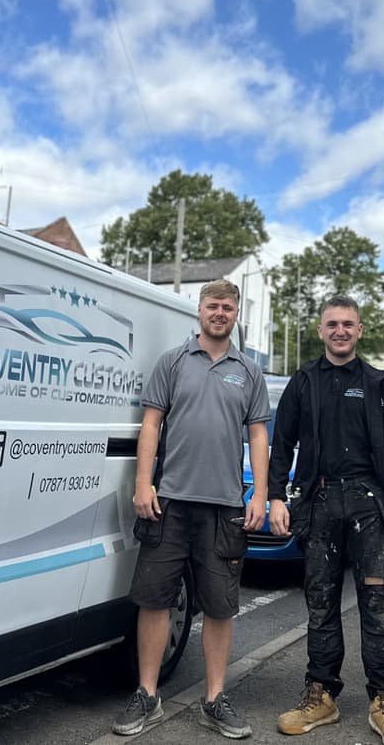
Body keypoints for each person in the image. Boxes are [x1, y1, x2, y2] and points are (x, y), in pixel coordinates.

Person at [112, 279, 270, 739]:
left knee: (220, 606)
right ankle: (148, 694)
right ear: (199, 310)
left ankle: (215, 698)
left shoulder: (249, 371)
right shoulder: (173, 362)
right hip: (170, 504)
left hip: (224, 508)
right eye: (212, 305)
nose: (219, 312)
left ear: (236, 314)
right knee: (155, 599)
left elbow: (258, 434)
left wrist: (258, 493)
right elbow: (151, 425)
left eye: (227, 307)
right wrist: (143, 484)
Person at [268, 295, 384, 745]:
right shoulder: (304, 382)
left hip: (369, 506)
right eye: (332, 323)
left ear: (359, 331)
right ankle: (321, 695)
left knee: (378, 603)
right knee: (321, 602)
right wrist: (277, 496)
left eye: (348, 324)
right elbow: (282, 444)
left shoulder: (376, 384)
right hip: (318, 504)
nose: (340, 330)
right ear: (321, 331)